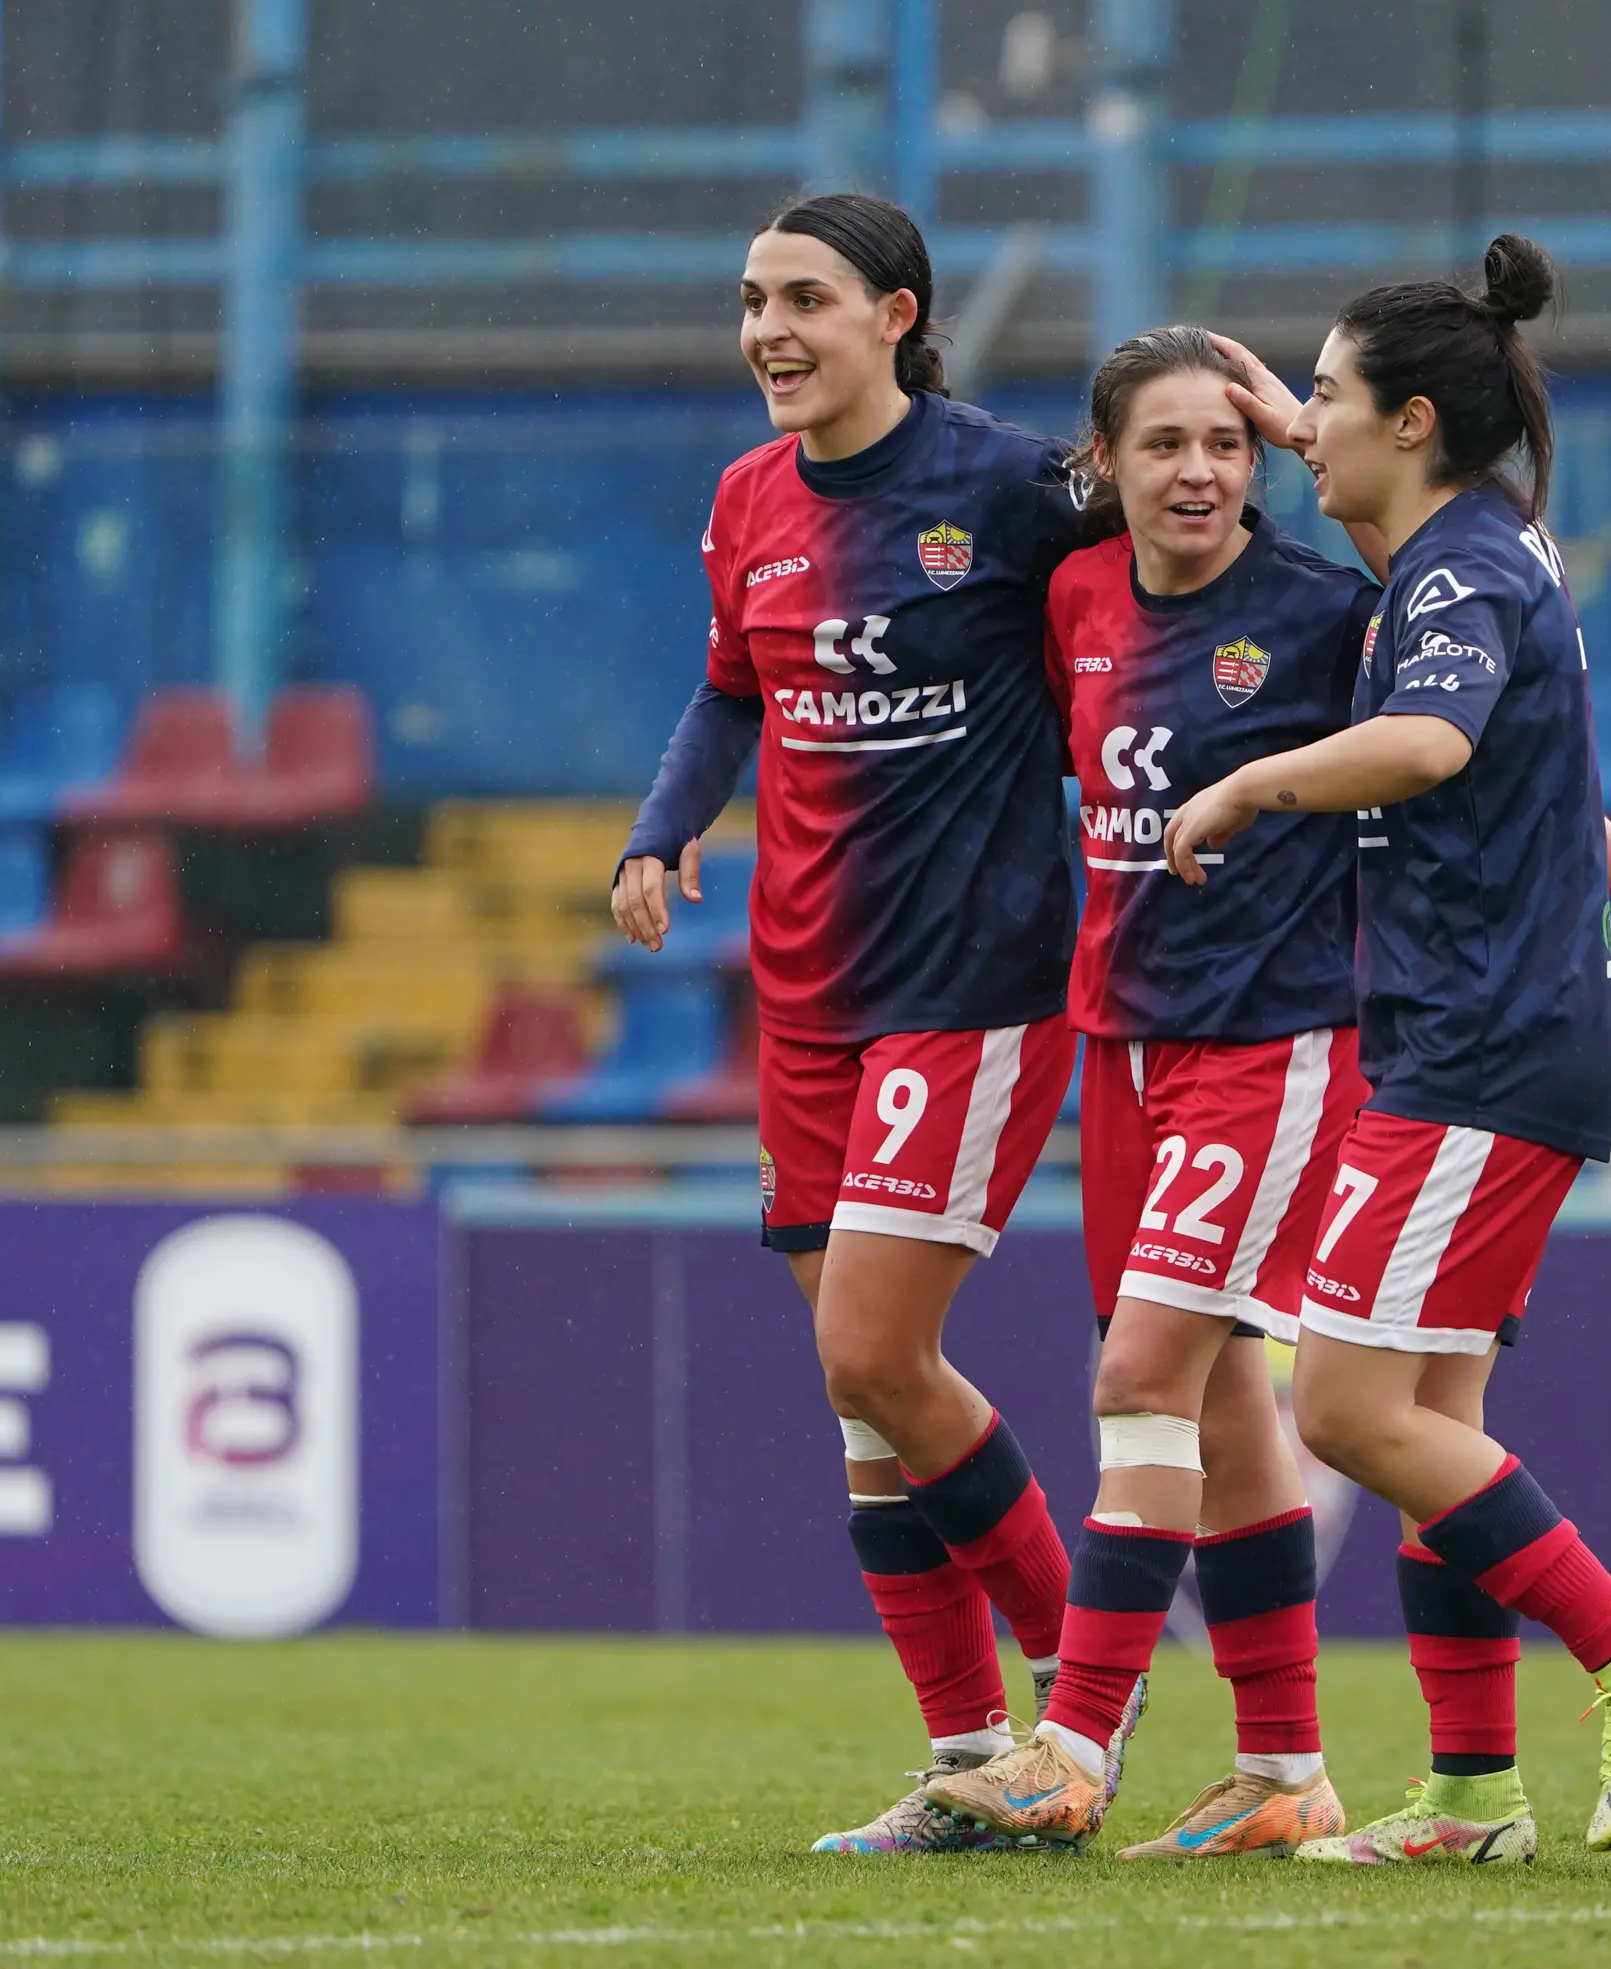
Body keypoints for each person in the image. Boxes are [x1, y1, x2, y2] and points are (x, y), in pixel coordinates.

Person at [1166, 236, 1611, 1865]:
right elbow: (1537, 777)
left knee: (1346, 1410)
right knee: (1440, 1418)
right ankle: (1475, 1797)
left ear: (1412, 422)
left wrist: (1249, 783)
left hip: (1476, 1054)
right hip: (1502, 1034)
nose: (1306, 432)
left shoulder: (1457, 579)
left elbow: (1431, 746)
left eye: (1330, 402)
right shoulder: (1490, 543)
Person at [611, 192, 1104, 1856]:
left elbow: (1191, 575)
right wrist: (663, 826)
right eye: (750, 299)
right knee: (865, 1401)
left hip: (967, 980)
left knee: (876, 1354)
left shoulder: (1016, 486)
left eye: (803, 299)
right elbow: (730, 690)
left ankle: (1078, 1709)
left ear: (897, 315)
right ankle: (969, 1751)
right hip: (806, 992)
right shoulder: (749, 498)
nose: (767, 329)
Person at [921, 326, 1379, 1857]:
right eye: (1165, 445)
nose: (1199, 472)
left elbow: (1490, 718)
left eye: (1227, 445)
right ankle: (1284, 1767)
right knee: (1229, 1399)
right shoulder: (1074, 597)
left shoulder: (1327, 614)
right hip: (1123, 1047)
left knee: (1137, 1384)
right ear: (1103, 466)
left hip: (1272, 1042)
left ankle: (1073, 1747)